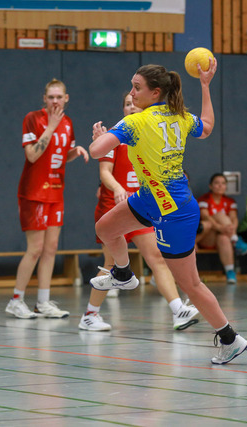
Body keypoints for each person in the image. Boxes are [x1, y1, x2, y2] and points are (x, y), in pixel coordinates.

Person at [88, 59, 247, 364]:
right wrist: (205, 86)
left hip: (174, 212)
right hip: (150, 197)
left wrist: (99, 139)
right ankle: (123, 273)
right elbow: (208, 127)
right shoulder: (180, 116)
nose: (132, 93)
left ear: (155, 92)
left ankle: (231, 338)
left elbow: (96, 151)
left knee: (191, 284)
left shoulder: (135, 122)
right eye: (132, 87)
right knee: (106, 228)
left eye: (137, 88)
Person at [79, 93, 199, 332]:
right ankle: (90, 315)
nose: (131, 106)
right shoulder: (115, 136)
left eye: (134, 102)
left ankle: (178, 310)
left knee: (156, 257)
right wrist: (117, 188)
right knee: (112, 262)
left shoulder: (151, 132)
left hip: (143, 205)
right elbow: (105, 172)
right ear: (123, 109)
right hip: (114, 205)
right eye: (127, 104)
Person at [6, 78, 89, 319]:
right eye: (51, 97)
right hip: (34, 192)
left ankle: (43, 302)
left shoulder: (68, 122)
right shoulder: (33, 118)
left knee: (51, 248)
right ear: (44, 98)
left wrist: (75, 152)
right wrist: (50, 127)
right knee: (35, 249)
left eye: (59, 97)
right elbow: (32, 156)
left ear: (66, 98)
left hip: (56, 191)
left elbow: (59, 155)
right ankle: (16, 300)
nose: (55, 101)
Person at [197, 173, 247, 285]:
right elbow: (205, 217)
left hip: (223, 236)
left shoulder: (230, 201)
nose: (220, 186)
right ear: (210, 186)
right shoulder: (204, 199)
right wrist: (221, 228)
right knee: (220, 215)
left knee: (223, 238)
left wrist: (229, 230)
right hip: (206, 237)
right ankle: (235, 240)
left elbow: (234, 219)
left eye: (223, 183)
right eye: (217, 183)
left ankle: (230, 272)